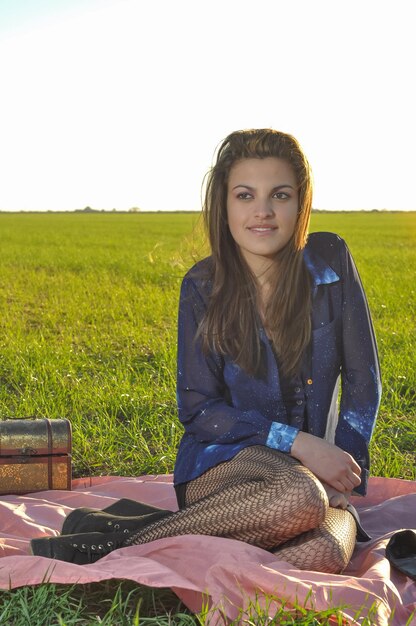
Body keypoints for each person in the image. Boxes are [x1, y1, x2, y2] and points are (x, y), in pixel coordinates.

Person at [31, 129, 381, 573]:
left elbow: (363, 381)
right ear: (225, 205)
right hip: (225, 461)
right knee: (299, 496)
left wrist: (343, 475)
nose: (263, 211)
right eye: (244, 195)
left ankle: (158, 529)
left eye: (280, 194)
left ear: (301, 203)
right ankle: (118, 545)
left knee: (323, 552)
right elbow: (199, 410)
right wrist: (297, 442)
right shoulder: (202, 285)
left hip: (316, 475)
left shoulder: (330, 258)